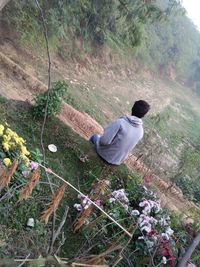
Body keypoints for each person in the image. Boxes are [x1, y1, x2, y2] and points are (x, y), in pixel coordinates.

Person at [90, 100, 150, 165]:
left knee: (95, 137)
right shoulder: (141, 131)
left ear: (132, 108)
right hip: (117, 161)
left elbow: (103, 141)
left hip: (104, 155)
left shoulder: (120, 122)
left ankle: (86, 153)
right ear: (143, 115)